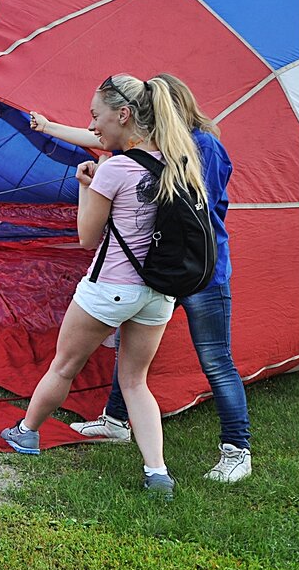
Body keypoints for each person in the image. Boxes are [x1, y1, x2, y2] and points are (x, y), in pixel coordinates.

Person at [29, 73, 251, 482]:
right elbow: (101, 135)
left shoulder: (199, 147)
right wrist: (48, 127)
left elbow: (204, 210)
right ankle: (118, 426)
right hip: (156, 271)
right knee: (133, 358)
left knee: (216, 361)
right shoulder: (156, 151)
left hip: (201, 269)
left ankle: (237, 447)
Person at [0, 74, 208, 501]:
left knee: (63, 366)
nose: (93, 125)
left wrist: (85, 186)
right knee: (135, 381)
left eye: (97, 116)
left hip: (111, 287)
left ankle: (25, 433)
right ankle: (157, 471)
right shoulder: (179, 163)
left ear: (124, 115)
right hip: (158, 293)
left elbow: (86, 237)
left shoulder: (115, 168)